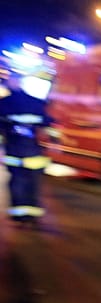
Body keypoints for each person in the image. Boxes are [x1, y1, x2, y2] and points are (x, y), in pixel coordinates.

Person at [0, 71, 50, 223]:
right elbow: (47, 124)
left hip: (14, 151)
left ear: (10, 83)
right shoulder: (36, 102)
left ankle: (19, 212)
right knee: (32, 182)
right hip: (33, 151)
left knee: (17, 181)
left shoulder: (4, 103)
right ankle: (32, 211)